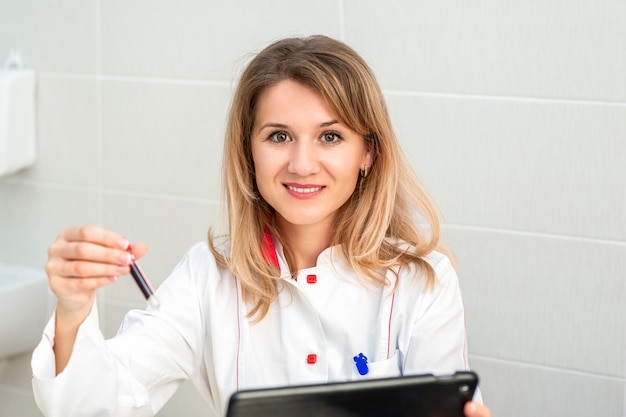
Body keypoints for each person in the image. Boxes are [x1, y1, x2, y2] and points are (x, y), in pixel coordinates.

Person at [32, 35, 491, 417]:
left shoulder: (422, 281)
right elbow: (90, 408)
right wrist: (72, 309)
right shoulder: (207, 278)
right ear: (248, 152)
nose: (302, 163)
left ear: (367, 153)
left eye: (330, 136)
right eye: (278, 136)